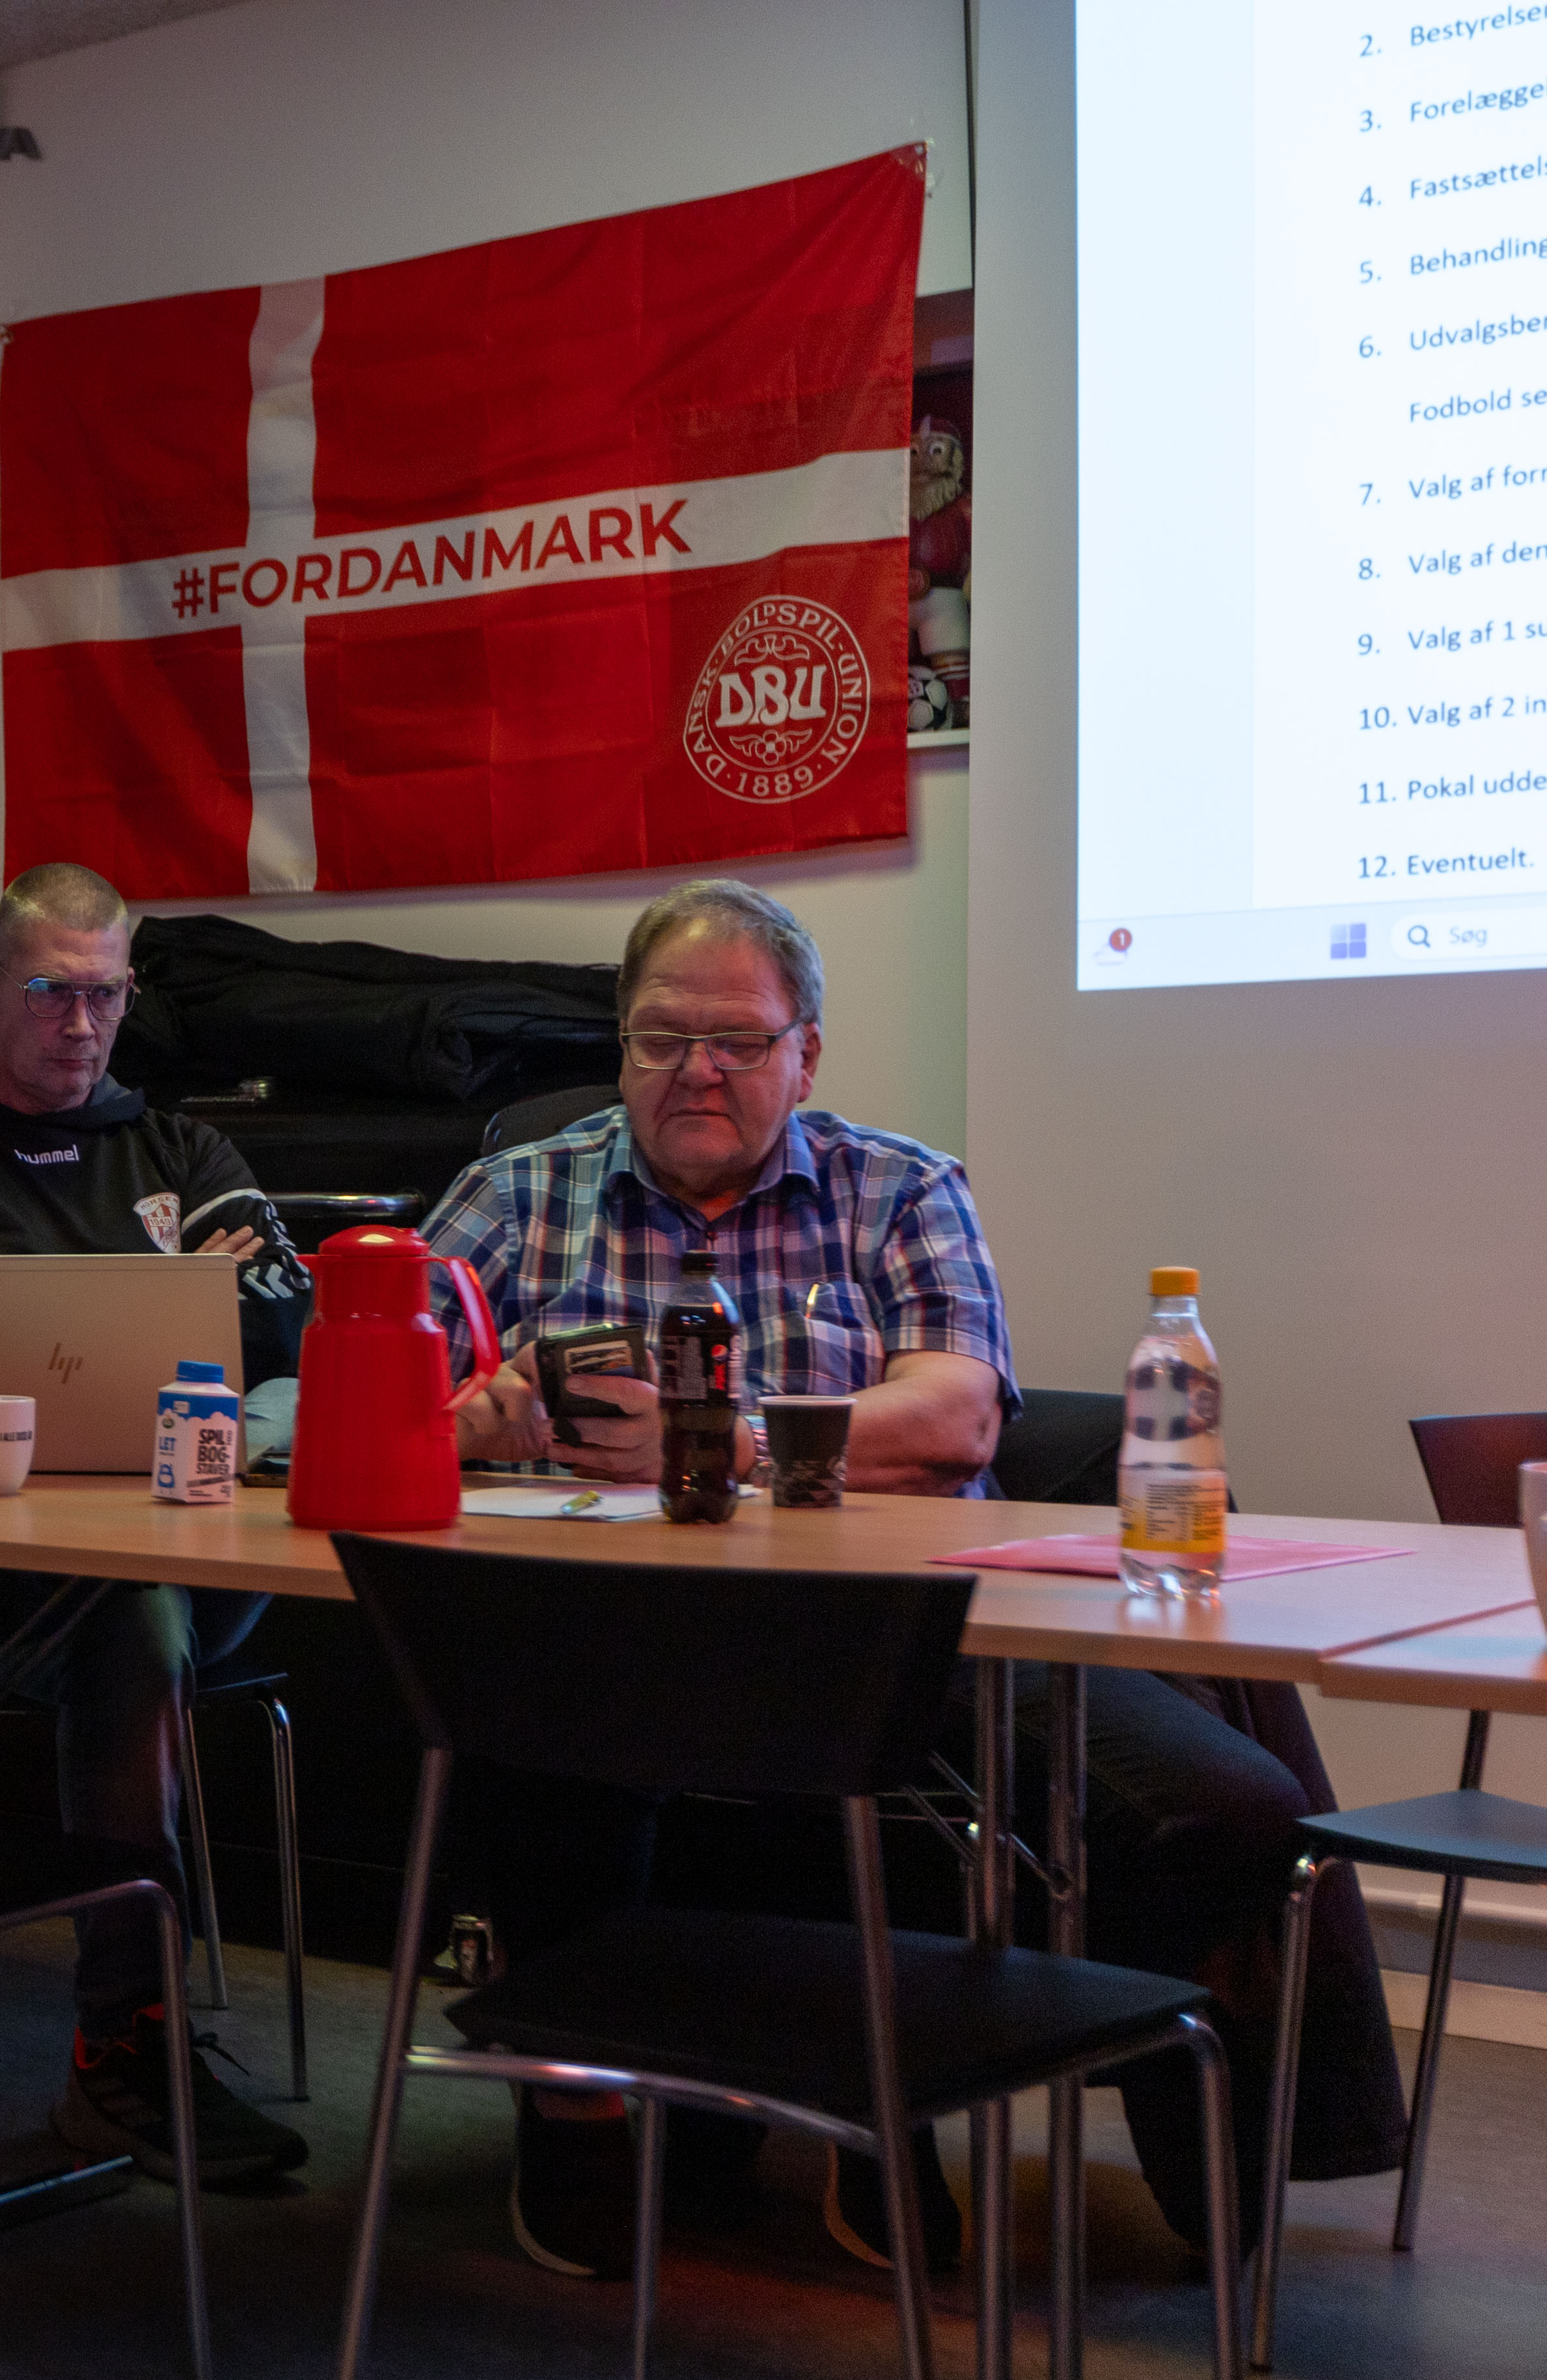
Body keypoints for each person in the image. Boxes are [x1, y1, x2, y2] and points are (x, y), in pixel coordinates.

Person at [423, 876, 1407, 2278]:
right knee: (525, 1740)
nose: (697, 1068)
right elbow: (351, 1395)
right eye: (661, 1037)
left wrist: (721, 1437)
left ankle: (985, 2092)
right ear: (620, 1042)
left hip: (901, 1634)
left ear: (807, 1054)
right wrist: (471, 1417)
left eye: (739, 1040)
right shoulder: (516, 1193)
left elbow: (956, 1417)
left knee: (1224, 1808)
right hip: (611, 1641)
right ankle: (583, 2109)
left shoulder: (897, 1186)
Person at [0, 861, 314, 2191]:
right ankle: (126, 2043)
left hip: (197, 1553)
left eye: (106, 995)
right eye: (52, 991)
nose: (83, 1023)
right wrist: (171, 1296)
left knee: (153, 1603)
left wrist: (45, 1312)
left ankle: (129, 2042)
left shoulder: (187, 1150)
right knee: (128, 1621)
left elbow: (283, 1320)